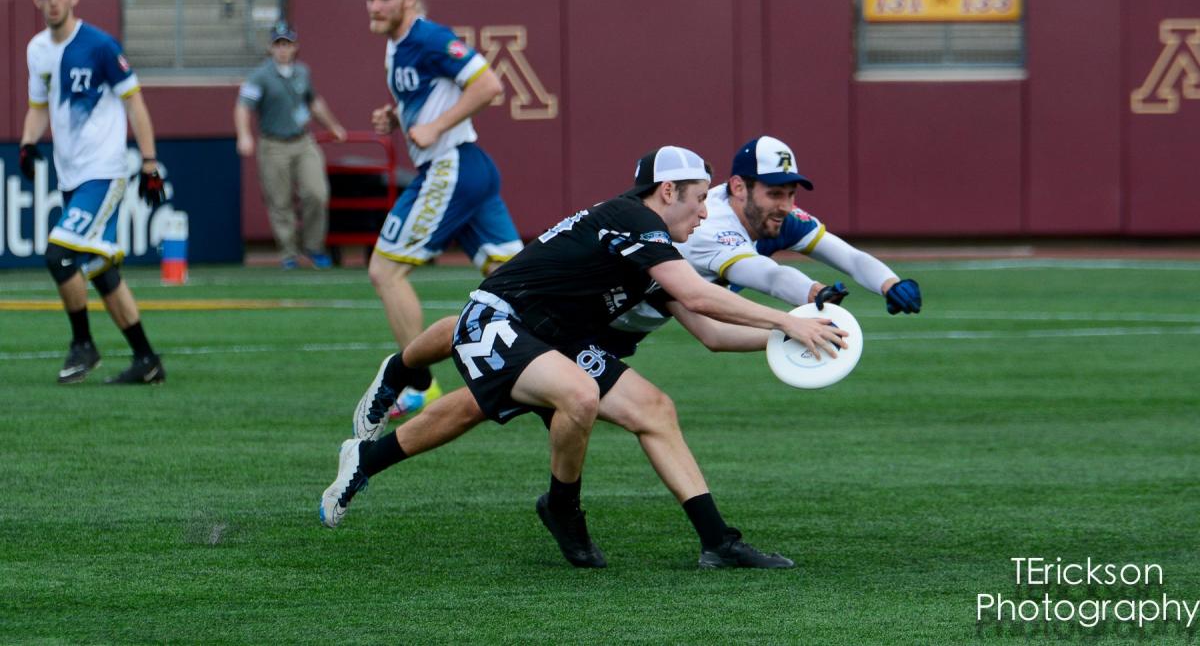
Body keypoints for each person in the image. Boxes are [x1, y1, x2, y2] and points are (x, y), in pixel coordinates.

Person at [320, 146, 849, 569]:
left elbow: (709, 331)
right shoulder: (633, 220)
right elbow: (698, 295)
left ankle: (719, 542)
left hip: (553, 335)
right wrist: (787, 319)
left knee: (653, 409)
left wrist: (789, 337)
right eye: (697, 199)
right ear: (667, 192)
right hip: (500, 319)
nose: (705, 211)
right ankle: (562, 508)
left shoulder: (650, 242)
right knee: (576, 393)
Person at [363, 0, 524, 413]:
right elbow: (429, 94)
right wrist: (396, 116)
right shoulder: (397, 46)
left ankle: (418, 384)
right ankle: (577, 363)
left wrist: (435, 127)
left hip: (450, 166)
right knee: (518, 282)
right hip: (469, 169)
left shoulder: (429, 38)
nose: (374, 7)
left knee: (384, 271)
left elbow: (488, 84)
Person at [18, 0, 168, 384]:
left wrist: (149, 162)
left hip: (104, 170)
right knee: (101, 268)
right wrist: (27, 143)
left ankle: (83, 344)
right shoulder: (37, 49)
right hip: (70, 175)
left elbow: (135, 103)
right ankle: (147, 360)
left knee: (59, 254)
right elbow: (38, 106)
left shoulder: (100, 45)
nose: (52, 1)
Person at [678, 135, 922, 316]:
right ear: (738, 187)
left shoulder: (775, 216)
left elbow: (851, 258)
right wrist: (812, 291)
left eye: (791, 194)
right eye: (775, 194)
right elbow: (770, 277)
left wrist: (890, 284)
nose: (786, 206)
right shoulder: (707, 223)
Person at [234, 20, 346, 270]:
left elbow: (313, 102)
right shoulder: (260, 76)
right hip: (273, 144)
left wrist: (333, 125)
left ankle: (314, 247)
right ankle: (289, 252)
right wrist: (244, 135)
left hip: (302, 140)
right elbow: (243, 106)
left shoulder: (302, 72)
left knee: (316, 192)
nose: (283, 49)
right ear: (271, 48)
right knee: (279, 200)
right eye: (278, 44)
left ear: (295, 46)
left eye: (287, 44)